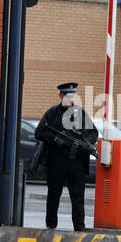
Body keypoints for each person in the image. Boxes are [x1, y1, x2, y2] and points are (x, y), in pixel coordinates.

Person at [35, 82, 98, 231]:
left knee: (78, 198)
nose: (70, 99)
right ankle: (51, 225)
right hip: (57, 161)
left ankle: (79, 227)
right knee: (53, 195)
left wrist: (86, 142)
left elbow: (94, 133)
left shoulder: (80, 113)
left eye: (72, 96)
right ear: (60, 96)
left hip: (77, 163)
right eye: (67, 96)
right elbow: (39, 132)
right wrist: (56, 140)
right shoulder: (52, 113)